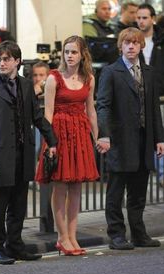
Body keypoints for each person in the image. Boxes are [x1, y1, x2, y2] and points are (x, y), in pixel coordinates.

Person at [0, 40, 57, 265]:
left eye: (6, 59)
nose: (1, 63)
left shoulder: (27, 85)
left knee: (19, 205)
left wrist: (52, 140)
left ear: (17, 61)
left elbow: (37, 117)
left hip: (23, 154)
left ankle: (15, 246)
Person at [97, 27, 164, 250]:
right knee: (116, 191)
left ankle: (139, 234)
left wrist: (159, 138)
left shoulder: (148, 72)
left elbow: (154, 108)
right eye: (127, 43)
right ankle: (116, 234)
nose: (131, 46)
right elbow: (104, 106)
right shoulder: (110, 72)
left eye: (135, 43)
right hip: (119, 140)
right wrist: (104, 135)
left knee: (138, 192)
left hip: (143, 139)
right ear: (121, 46)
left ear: (141, 45)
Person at [35, 35, 103, 256]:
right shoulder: (54, 78)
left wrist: (97, 138)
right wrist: (50, 142)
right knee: (60, 186)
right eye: (67, 52)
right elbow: (47, 113)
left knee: (76, 187)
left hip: (81, 135)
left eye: (74, 52)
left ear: (83, 54)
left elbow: (91, 111)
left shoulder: (89, 79)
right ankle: (62, 237)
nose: (70, 56)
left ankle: (73, 236)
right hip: (59, 135)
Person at [136, 3, 164, 188]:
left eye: (144, 17)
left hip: (159, 96)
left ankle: (161, 174)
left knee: (160, 135)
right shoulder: (132, 41)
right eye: (138, 17)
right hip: (137, 95)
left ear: (152, 18)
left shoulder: (163, 42)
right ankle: (141, 171)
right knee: (139, 134)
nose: (141, 21)